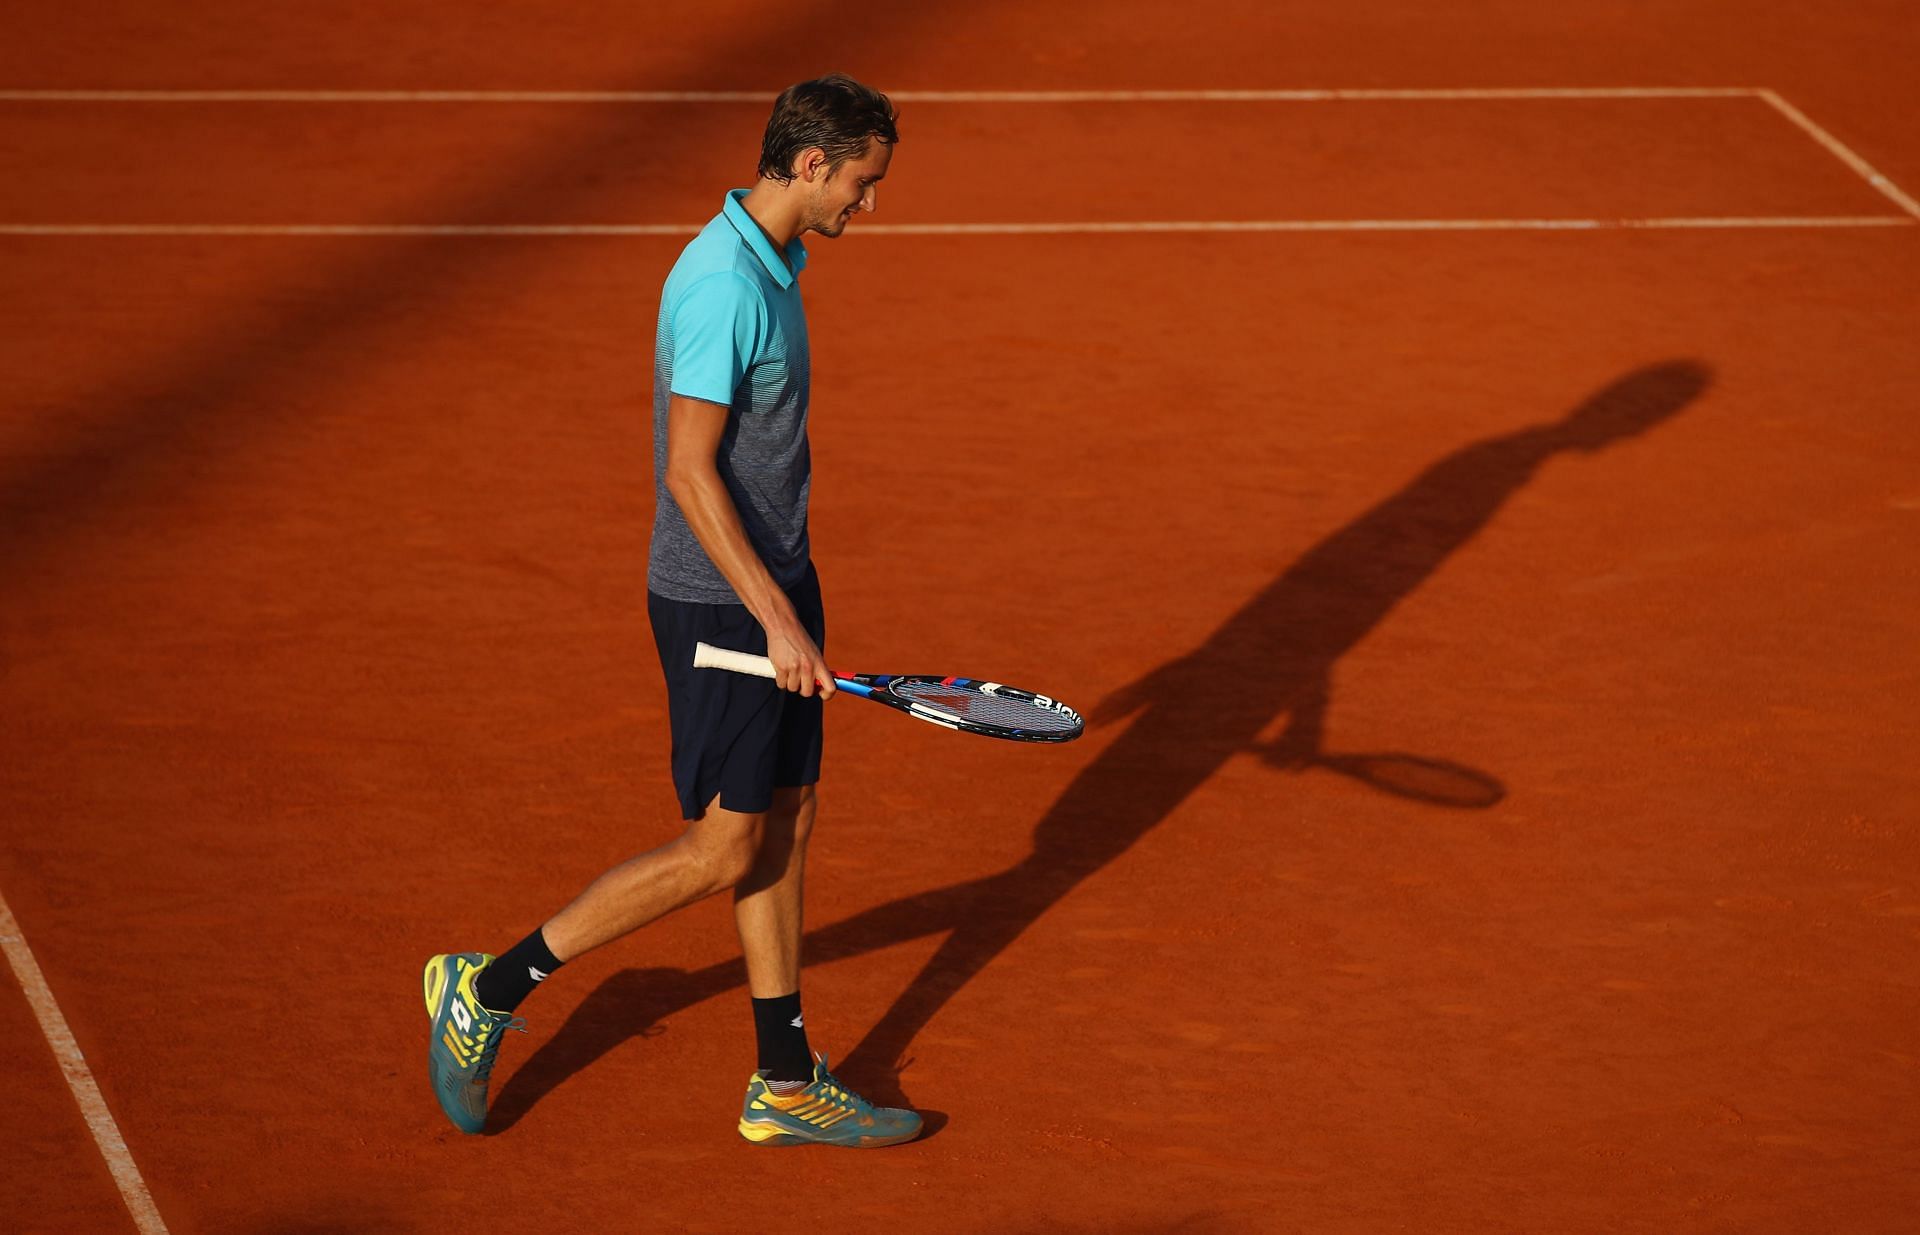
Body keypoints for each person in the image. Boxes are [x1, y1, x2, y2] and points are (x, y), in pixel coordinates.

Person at [423, 73, 918, 1148]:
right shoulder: (720, 286)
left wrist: (793, 599)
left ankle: (783, 1077)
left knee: (788, 819)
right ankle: (491, 984)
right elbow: (689, 474)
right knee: (723, 848)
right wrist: (775, 622)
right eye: (864, 184)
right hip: (721, 601)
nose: (869, 206)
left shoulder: (773, 255)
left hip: (777, 578)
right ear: (810, 164)